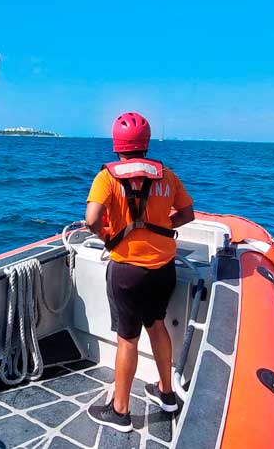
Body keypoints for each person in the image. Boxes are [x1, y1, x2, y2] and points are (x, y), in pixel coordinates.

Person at [84, 111, 195, 433]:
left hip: (127, 272)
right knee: (157, 324)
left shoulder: (106, 178)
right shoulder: (168, 176)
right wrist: (161, 229)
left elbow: (92, 219)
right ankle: (167, 393)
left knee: (127, 339)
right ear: (145, 144)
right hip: (163, 268)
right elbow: (186, 213)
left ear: (117, 143)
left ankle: (120, 411)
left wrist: (109, 237)